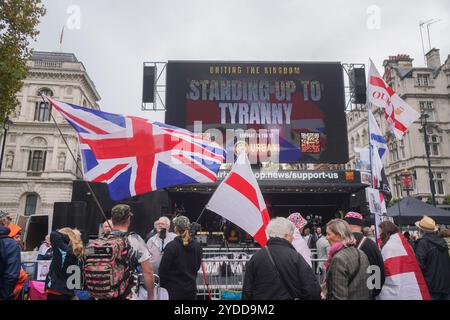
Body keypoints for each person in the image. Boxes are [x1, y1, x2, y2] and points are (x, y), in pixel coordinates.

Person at [243, 217, 320, 300]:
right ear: (286, 236)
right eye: (291, 235)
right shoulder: (295, 257)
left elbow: (247, 291)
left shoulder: (256, 257)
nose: (293, 238)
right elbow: (312, 289)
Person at [108, 204, 154, 300]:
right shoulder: (134, 240)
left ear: (112, 220)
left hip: (104, 294)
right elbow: (148, 271)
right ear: (129, 219)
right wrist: (151, 296)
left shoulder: (103, 240)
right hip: (127, 295)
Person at [377, 221, 430, 300]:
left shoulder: (389, 247)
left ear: (386, 232)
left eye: (380, 232)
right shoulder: (403, 244)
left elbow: (385, 270)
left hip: (396, 288)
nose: (379, 235)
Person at [324, 219, 371, 300]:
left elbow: (338, 297)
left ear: (339, 236)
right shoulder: (361, 253)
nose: (326, 237)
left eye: (328, 234)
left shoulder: (339, 259)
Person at [159, 216, 202, 300]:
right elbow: (197, 266)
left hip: (173, 292)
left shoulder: (171, 246)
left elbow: (163, 271)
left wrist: (162, 286)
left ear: (175, 228)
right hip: (191, 291)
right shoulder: (197, 246)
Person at [344, 211, 385, 299]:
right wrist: (373, 292)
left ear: (346, 224)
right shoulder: (371, 245)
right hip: (367, 293)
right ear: (361, 225)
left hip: (346, 293)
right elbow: (378, 270)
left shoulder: (342, 244)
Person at [414, 216, 450, 300]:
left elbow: (419, 265)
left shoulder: (423, 243)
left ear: (421, 230)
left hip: (430, 285)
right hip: (445, 284)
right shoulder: (442, 241)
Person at [45, 227, 84, 300]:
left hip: (57, 291)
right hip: (69, 291)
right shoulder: (76, 252)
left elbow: (53, 234)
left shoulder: (63, 250)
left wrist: (68, 235)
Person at [0, 211, 21, 300]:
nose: (10, 221)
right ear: (3, 222)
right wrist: (5, 295)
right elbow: (11, 274)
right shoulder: (9, 244)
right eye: (9, 219)